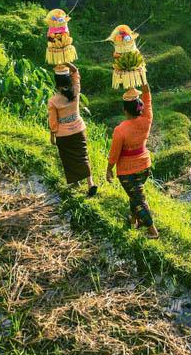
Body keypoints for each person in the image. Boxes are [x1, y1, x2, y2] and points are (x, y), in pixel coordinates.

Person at [106, 84, 159, 239]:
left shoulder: (120, 130)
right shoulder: (147, 119)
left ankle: (153, 231)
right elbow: (147, 95)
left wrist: (109, 169)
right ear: (139, 107)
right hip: (144, 167)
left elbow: (114, 153)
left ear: (125, 110)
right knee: (134, 195)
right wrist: (141, 79)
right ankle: (134, 220)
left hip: (128, 171)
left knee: (138, 201)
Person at [48, 63, 97, 197]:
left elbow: (53, 121)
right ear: (69, 80)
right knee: (83, 156)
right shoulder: (75, 90)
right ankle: (90, 183)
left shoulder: (53, 100)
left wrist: (52, 135)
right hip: (79, 129)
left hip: (63, 134)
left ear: (56, 83)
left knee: (68, 158)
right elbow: (76, 72)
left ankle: (75, 182)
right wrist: (66, 62)